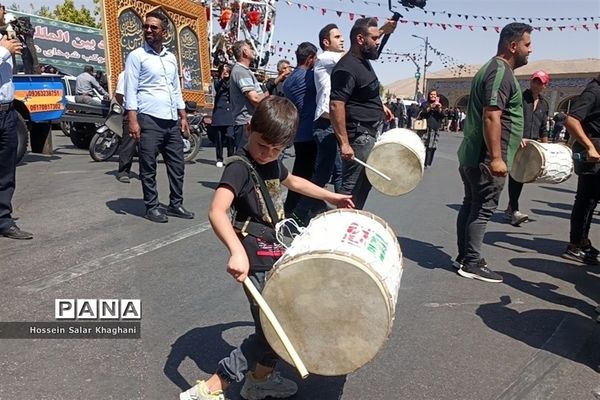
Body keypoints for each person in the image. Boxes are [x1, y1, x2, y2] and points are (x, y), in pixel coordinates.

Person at [180, 96, 354, 400]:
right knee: (275, 329)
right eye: (263, 146)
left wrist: (331, 196)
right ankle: (212, 387)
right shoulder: (238, 167)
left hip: (274, 252)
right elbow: (217, 211)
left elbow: (295, 182)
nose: (268, 154)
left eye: (277, 150)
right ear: (249, 129)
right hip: (253, 257)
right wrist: (235, 251)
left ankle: (259, 380)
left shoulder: (272, 160)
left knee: (279, 322)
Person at [455, 22, 533, 283]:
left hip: (473, 155)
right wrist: (498, 158)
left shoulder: (494, 69)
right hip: (485, 158)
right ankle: (472, 262)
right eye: (527, 44)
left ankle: (466, 255)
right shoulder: (500, 72)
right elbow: (492, 115)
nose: (530, 51)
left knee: (471, 205)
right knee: (483, 209)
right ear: (513, 46)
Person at [124, 11, 194, 223]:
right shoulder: (137, 56)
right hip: (149, 119)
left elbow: (175, 89)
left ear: (164, 32)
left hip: (171, 121)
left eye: (154, 28)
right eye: (146, 27)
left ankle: (176, 204)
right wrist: (133, 120)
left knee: (177, 165)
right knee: (148, 166)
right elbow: (130, 90)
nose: (148, 30)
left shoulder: (171, 58)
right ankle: (152, 206)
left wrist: (183, 116)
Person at [330, 18, 394, 210]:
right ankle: (338, 230)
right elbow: (335, 105)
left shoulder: (363, 61)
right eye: (374, 38)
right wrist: (344, 143)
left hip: (369, 134)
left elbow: (363, 91)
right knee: (350, 190)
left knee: (362, 187)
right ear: (359, 39)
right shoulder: (346, 67)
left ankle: (350, 224)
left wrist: (380, 106)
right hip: (359, 137)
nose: (378, 41)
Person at [291, 23, 345, 225]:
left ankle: (302, 212)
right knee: (327, 174)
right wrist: (378, 33)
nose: (342, 39)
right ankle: (299, 214)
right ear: (325, 42)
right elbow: (352, 58)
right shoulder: (325, 58)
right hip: (324, 125)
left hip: (332, 124)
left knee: (332, 173)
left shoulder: (334, 61)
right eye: (337, 36)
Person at [503, 70, 550, 226]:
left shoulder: (544, 104)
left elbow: (544, 127)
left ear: (545, 85)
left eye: (540, 82)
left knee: (522, 176)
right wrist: (517, 137)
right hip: (518, 142)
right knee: (516, 176)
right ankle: (515, 211)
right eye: (534, 81)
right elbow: (510, 119)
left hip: (533, 145)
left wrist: (545, 145)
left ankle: (511, 207)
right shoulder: (521, 99)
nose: (536, 84)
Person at [562, 73, 600, 265]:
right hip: (591, 157)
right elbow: (572, 120)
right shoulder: (594, 91)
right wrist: (590, 147)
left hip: (596, 156)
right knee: (586, 201)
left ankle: (580, 242)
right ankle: (576, 245)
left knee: (590, 201)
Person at [0, 30, 31, 239]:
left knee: (6, 171)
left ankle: (3, 220)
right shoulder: (4, 47)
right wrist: (4, 52)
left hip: (7, 112)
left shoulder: (4, 40)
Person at [282, 42, 318, 215]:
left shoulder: (289, 81)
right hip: (310, 133)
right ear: (310, 58)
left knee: (301, 171)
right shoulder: (310, 78)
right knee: (308, 174)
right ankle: (299, 210)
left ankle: (292, 207)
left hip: (298, 133)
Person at [229, 40, 266, 153]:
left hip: (249, 122)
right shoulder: (241, 71)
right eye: (250, 48)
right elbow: (254, 98)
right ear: (245, 51)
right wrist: (270, 102)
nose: (253, 51)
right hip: (246, 123)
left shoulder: (245, 71)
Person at [209, 63, 234, 168]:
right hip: (220, 112)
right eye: (223, 70)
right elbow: (217, 88)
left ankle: (230, 157)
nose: (226, 71)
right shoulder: (217, 80)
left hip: (230, 112)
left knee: (230, 136)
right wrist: (222, 78)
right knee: (219, 137)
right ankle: (219, 158)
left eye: (227, 69)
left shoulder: (232, 81)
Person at [115, 70, 136, 183]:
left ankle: (146, 171)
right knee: (128, 143)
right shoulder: (125, 75)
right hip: (130, 113)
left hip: (147, 112)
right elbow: (119, 95)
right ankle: (123, 171)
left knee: (147, 145)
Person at [419, 89, 444, 167]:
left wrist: (439, 109)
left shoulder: (439, 105)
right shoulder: (425, 104)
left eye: (434, 95)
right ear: (429, 95)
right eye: (431, 94)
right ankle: (420, 161)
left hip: (435, 128)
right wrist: (431, 106)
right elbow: (424, 112)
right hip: (425, 127)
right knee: (422, 145)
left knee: (432, 146)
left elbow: (442, 116)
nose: (433, 96)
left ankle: (427, 162)